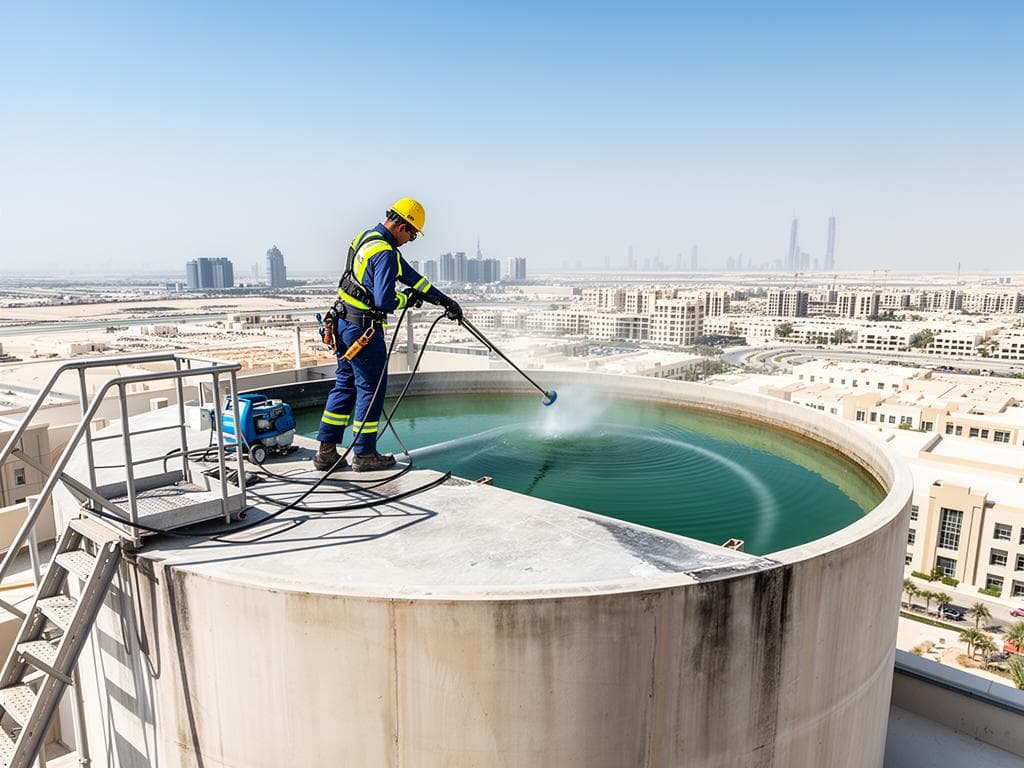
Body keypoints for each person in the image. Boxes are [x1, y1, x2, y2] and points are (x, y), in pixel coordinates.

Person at [314, 198, 462, 472]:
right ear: (402, 226)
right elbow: (384, 301)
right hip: (363, 331)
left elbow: (412, 278)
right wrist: (408, 299)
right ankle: (364, 454)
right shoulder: (385, 253)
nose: (410, 240)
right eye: (412, 235)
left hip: (342, 323)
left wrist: (444, 301)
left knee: (345, 385)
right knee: (370, 389)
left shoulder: (366, 239)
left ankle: (326, 451)